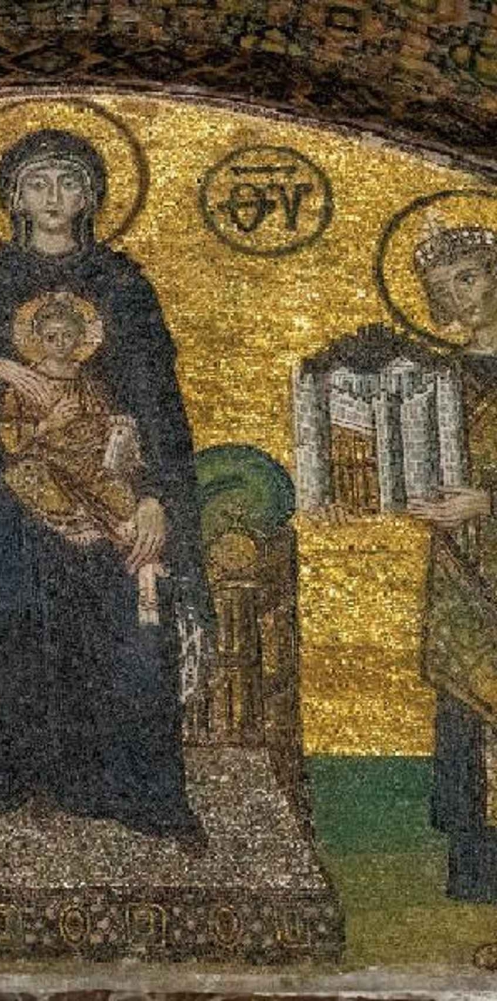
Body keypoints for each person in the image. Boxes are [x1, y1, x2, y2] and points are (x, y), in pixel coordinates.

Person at [0, 129, 208, 844]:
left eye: (68, 182)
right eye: (37, 183)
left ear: (90, 197)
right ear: (13, 198)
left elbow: (159, 399)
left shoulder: (122, 286)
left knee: (128, 578)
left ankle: (117, 781)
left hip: (109, 485)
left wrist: (157, 497)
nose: (53, 197)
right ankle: (1, 768)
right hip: (4, 481)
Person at [404, 217, 497, 971]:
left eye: (469, 276)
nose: (459, 296)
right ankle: (479, 865)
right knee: (468, 701)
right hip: (464, 567)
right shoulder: (439, 380)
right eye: (443, 288)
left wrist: (487, 501)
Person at [0, 291, 165, 625]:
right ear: (38, 339)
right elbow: (10, 435)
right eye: (51, 336)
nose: (60, 343)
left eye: (67, 335)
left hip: (89, 462)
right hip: (46, 460)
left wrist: (117, 428)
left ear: (81, 338)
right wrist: (48, 423)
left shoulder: (89, 384)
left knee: (125, 504)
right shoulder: (25, 385)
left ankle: (147, 584)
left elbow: (101, 421)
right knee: (39, 485)